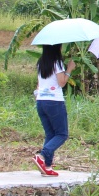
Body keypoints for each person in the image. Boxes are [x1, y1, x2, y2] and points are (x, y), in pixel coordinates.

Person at [33, 44, 73, 176]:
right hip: (54, 101)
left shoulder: (41, 63)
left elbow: (39, 83)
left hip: (41, 101)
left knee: (50, 134)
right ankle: (43, 155)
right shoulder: (57, 63)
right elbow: (61, 82)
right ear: (56, 48)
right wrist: (69, 69)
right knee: (62, 134)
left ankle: (47, 166)